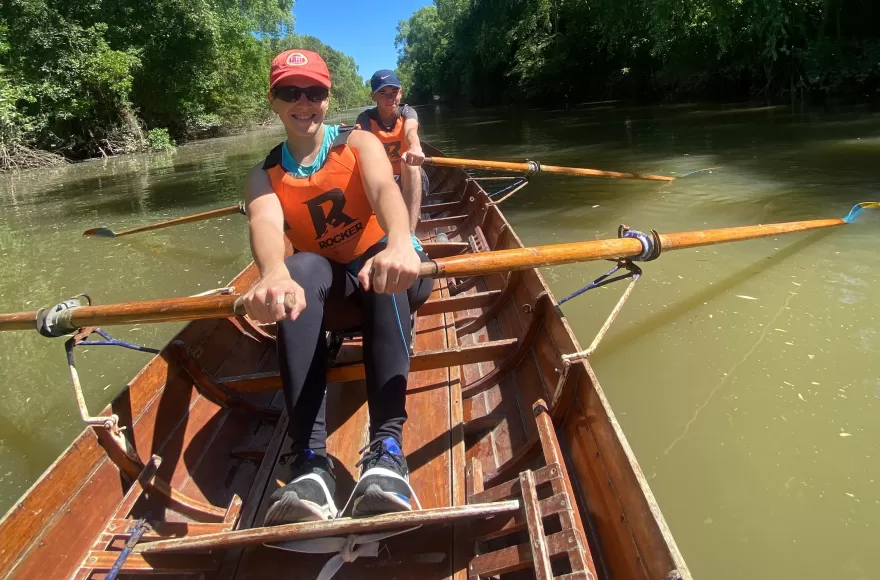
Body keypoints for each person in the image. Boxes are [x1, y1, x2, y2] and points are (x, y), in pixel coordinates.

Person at [241, 49, 433, 525]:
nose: (303, 101)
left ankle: (387, 449)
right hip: (329, 298)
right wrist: (272, 273)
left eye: (314, 92)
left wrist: (402, 244)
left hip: (392, 279)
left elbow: (385, 190)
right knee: (299, 268)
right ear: (274, 101)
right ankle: (309, 462)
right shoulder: (261, 176)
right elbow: (265, 226)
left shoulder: (359, 143)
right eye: (290, 92)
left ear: (328, 100)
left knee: (378, 266)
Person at [354, 70, 428, 232]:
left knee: (410, 163)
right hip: (381, 181)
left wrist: (415, 147)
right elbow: (360, 141)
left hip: (409, 177)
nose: (390, 98)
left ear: (400, 93)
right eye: (383, 93)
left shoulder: (408, 112)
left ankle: (409, 234)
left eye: (394, 92)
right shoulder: (365, 119)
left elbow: (411, 132)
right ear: (373, 96)